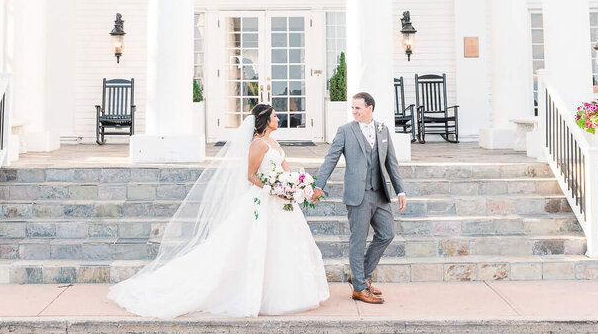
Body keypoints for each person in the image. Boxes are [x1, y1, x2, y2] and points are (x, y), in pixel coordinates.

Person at [108, 103, 329, 319]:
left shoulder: (275, 144)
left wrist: (298, 187)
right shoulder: (258, 144)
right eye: (274, 116)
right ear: (264, 120)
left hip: (283, 203)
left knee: (286, 246)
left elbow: (287, 171)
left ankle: (289, 295)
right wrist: (272, 189)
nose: (278, 119)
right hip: (263, 201)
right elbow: (250, 175)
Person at [312, 91, 407, 304]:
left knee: (387, 233)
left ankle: (361, 275)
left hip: (380, 193)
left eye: (357, 107)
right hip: (358, 195)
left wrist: (400, 190)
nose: (353, 111)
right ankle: (359, 288)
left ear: (369, 108)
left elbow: (391, 163)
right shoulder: (345, 131)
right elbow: (331, 159)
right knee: (358, 240)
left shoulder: (383, 130)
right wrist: (319, 185)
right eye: (352, 108)